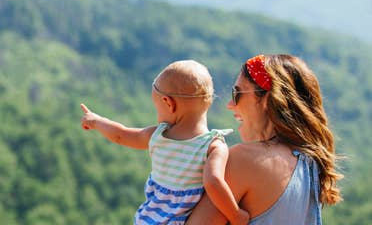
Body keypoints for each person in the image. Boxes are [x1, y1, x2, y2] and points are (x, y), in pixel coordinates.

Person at [80, 60, 250, 225]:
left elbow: (120, 135)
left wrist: (96, 121)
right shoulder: (213, 146)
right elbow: (213, 182)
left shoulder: (157, 135)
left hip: (147, 218)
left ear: (169, 104)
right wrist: (235, 215)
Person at [186, 54, 343, 225]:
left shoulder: (244, 160)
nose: (230, 104)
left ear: (268, 99)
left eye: (237, 93)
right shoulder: (311, 166)